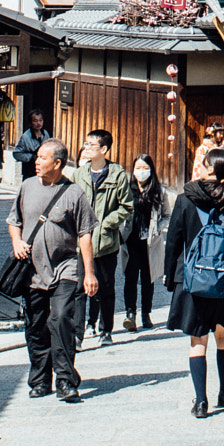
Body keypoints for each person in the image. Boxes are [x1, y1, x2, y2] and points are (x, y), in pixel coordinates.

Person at [7, 138, 96, 403]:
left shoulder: (74, 193)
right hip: (33, 272)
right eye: (36, 157)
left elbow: (85, 235)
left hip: (65, 270)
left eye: (42, 158)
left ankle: (66, 381)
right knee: (36, 328)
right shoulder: (26, 187)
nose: (36, 162)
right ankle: (40, 380)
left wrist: (89, 273)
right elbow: (14, 221)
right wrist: (16, 242)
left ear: (57, 163)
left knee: (60, 322)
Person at [163, 148, 224, 418]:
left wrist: (169, 274)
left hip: (193, 281)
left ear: (210, 170)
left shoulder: (185, 200)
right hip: (223, 284)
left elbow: (173, 240)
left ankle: (200, 400)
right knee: (223, 336)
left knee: (198, 340)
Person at [69, 130, 132, 346]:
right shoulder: (79, 174)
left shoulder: (117, 175)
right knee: (79, 288)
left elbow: (127, 206)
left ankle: (106, 330)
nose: (85, 148)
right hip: (82, 241)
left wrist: (107, 223)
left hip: (106, 242)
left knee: (105, 286)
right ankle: (78, 333)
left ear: (103, 149)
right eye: (85, 143)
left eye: (90, 145)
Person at [122, 153, 164, 332]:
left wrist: (159, 228)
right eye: (138, 168)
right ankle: (130, 313)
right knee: (130, 278)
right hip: (131, 240)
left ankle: (146, 313)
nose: (141, 172)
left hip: (149, 241)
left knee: (148, 279)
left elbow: (167, 214)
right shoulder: (126, 189)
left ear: (151, 170)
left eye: (145, 168)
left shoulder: (157, 190)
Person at [11, 109, 50, 180]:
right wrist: (31, 157)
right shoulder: (26, 136)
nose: (38, 123)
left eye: (40, 120)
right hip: (30, 171)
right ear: (31, 122)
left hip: (43, 170)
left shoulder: (45, 134)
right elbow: (16, 153)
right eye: (35, 121)